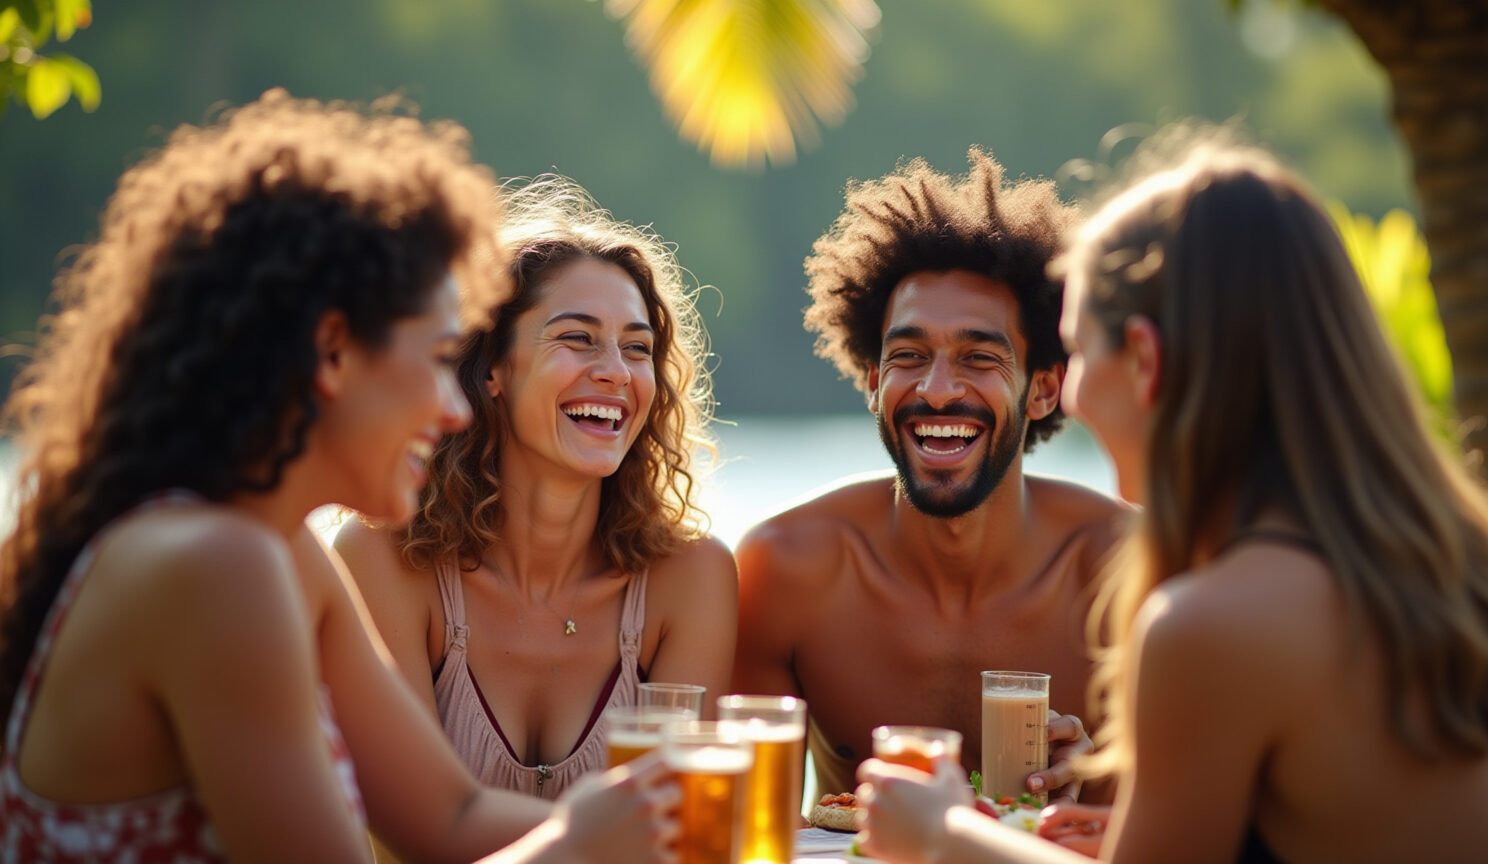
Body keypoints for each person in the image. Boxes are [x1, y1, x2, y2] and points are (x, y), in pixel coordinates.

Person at [0, 90, 678, 863]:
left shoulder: (277, 552)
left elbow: (451, 817)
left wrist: (650, 832)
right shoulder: (217, 566)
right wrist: (572, 849)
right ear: (332, 353)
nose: (456, 408)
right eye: (434, 360)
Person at [854, 133, 1488, 864]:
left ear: (1145, 360)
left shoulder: (1210, 624)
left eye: (1081, 351)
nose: (1071, 396)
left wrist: (943, 832)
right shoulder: (1454, 572)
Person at [732, 148, 1126, 802]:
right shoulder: (787, 570)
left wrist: (1099, 786)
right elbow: (744, 831)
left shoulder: (1123, 572)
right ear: (872, 381)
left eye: (979, 357)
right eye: (909, 356)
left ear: (1045, 390)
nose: (938, 391)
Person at [335, 173, 737, 802]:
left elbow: (684, 828)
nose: (614, 373)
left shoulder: (691, 579)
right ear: (493, 367)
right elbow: (417, 827)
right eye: (577, 339)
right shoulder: (382, 558)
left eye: (638, 349)